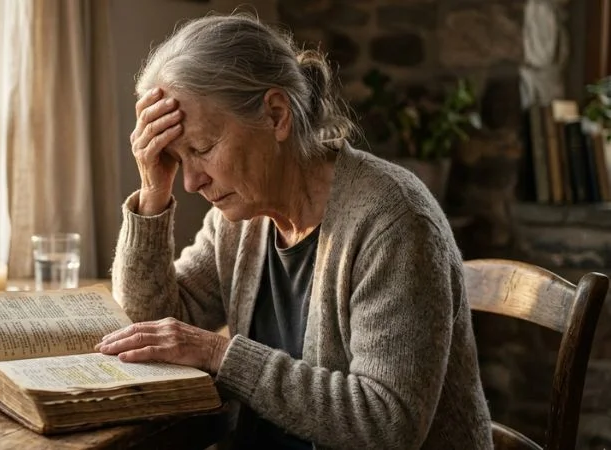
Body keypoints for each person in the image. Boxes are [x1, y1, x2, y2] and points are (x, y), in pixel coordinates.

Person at [95, 13, 493, 449]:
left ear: (277, 114)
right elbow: (147, 328)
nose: (191, 182)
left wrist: (218, 353)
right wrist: (153, 191)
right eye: (176, 157)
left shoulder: (394, 222)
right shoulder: (241, 219)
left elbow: (386, 424)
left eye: (203, 149)